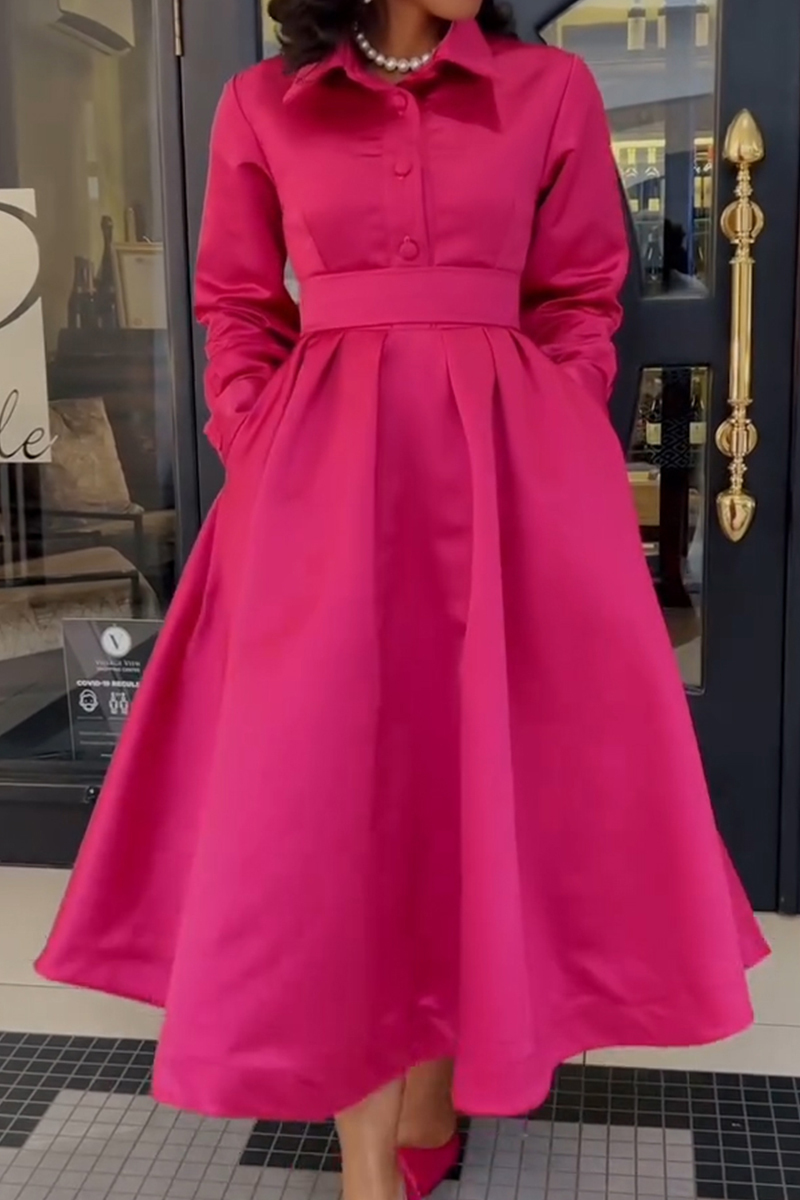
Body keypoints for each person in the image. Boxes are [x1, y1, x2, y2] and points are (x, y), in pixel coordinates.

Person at [37, 2, 769, 1200]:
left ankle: (436, 1088)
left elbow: (583, 291)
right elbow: (235, 304)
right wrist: (261, 439)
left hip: (507, 485)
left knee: (464, 783)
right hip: (316, 489)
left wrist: (552, 428)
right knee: (333, 798)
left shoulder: (548, 90)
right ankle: (365, 1165)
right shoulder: (261, 105)